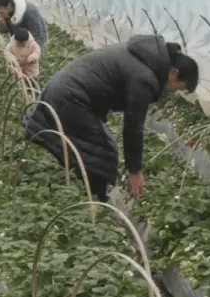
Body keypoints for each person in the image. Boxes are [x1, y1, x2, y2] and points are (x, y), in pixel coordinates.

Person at [24, 34, 198, 203]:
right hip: (71, 97)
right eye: (178, 88)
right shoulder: (145, 78)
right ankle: (93, 200)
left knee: (85, 144)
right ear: (173, 74)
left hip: (65, 90)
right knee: (103, 154)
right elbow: (133, 126)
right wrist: (134, 171)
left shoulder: (144, 57)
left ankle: (77, 185)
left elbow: (105, 88)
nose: (174, 93)